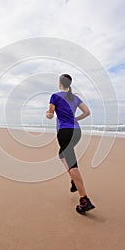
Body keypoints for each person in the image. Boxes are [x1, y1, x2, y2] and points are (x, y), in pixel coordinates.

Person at [46, 74, 95, 214]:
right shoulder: (75, 97)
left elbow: (50, 114)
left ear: (60, 83)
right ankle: (74, 180)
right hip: (77, 132)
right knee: (62, 155)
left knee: (72, 164)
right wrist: (76, 119)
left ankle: (84, 200)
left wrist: (48, 114)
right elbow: (87, 112)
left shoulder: (55, 96)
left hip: (65, 132)